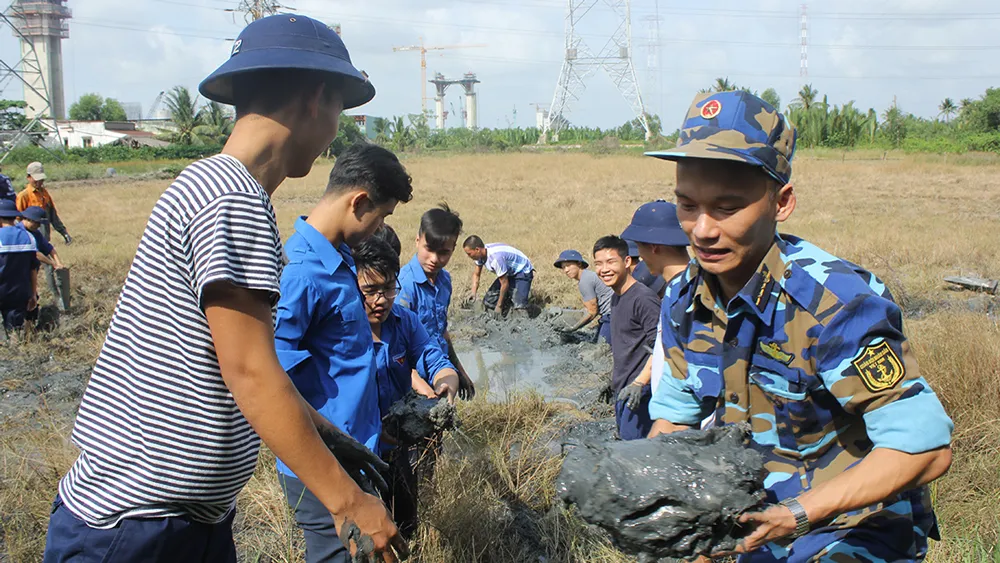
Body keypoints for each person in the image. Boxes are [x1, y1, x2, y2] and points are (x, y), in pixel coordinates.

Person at [44, 15, 408, 563]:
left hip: (183, 520)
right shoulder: (231, 196)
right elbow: (251, 371)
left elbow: (230, 359)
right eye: (340, 109)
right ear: (316, 97)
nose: (337, 128)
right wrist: (347, 500)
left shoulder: (225, 187)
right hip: (136, 527)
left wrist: (323, 431)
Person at [646, 90, 953, 561]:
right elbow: (673, 421)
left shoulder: (835, 306)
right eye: (687, 206)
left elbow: (924, 449)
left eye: (727, 208)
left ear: (781, 202)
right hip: (755, 524)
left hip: (853, 528)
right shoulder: (684, 298)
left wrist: (796, 515)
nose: (702, 230)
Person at [273, 143, 413, 563]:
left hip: (356, 448)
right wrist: (335, 445)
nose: (379, 228)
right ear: (359, 202)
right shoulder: (300, 273)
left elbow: (342, 362)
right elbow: (271, 381)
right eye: (382, 217)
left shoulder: (339, 259)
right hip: (322, 463)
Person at [353, 236, 459, 538]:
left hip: (397, 448)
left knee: (405, 522)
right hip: (357, 453)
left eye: (388, 288)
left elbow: (433, 359)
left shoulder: (404, 321)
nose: (381, 300)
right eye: (370, 291)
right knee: (366, 535)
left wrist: (446, 385)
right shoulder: (344, 331)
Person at [617, 200, 690, 417]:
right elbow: (667, 347)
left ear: (653, 247)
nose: (638, 262)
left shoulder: (691, 293)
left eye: (639, 249)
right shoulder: (673, 289)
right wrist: (640, 381)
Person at [398, 205, 477, 398]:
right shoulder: (404, 286)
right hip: (410, 379)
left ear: (452, 249)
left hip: (439, 371)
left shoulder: (445, 281)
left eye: (443, 252)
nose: (434, 259)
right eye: (429, 249)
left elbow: (441, 330)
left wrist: (458, 369)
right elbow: (396, 347)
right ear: (417, 241)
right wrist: (422, 388)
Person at [592, 235, 659, 440]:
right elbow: (626, 347)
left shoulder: (643, 298)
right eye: (598, 264)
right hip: (623, 389)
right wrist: (614, 381)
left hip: (639, 394)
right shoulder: (616, 296)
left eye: (611, 262)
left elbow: (662, 348)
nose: (604, 269)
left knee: (636, 452)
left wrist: (639, 384)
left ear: (627, 262)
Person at [16, 162, 71, 311]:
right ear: (28, 177)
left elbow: (53, 216)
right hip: (27, 239)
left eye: (41, 179)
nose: (39, 182)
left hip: (43, 236)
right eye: (36, 179)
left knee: (45, 267)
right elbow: (17, 219)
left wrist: (63, 232)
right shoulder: (23, 196)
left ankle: (55, 297)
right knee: (33, 269)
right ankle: (34, 299)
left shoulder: (44, 194)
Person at [463, 236, 534, 317]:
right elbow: (476, 274)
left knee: (519, 308)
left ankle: (526, 308)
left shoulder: (495, 259)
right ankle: (507, 305)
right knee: (489, 301)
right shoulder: (480, 255)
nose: (468, 256)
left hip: (522, 271)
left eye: (469, 254)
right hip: (509, 272)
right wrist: (473, 292)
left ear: (477, 250)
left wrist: (499, 306)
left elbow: (504, 284)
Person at [553, 249, 613, 344]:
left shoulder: (585, 281)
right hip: (609, 314)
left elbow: (592, 311)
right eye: (563, 268)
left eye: (568, 265)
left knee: (602, 348)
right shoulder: (588, 276)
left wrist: (573, 328)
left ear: (579, 264)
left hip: (613, 316)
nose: (566, 270)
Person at [0, 199, 38, 337]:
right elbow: (33, 270)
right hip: (19, 293)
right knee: (14, 332)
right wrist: (33, 294)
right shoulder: (29, 237)